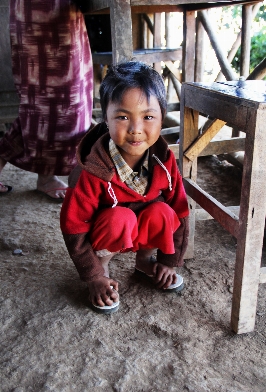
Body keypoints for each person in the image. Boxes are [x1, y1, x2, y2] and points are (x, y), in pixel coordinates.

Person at [60, 61, 189, 314]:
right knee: (120, 217)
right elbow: (73, 226)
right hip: (109, 235)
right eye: (122, 116)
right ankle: (103, 270)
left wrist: (168, 260)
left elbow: (181, 209)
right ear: (105, 119)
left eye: (148, 117)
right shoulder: (91, 170)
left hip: (142, 232)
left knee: (163, 212)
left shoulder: (164, 160)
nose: (135, 130)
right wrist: (92, 274)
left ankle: (144, 262)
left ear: (162, 117)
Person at [0, 0, 93, 199]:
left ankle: (46, 175)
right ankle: (46, 176)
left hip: (42, 9)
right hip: (46, 9)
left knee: (43, 99)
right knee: (56, 98)